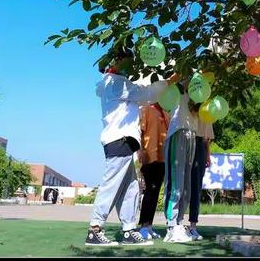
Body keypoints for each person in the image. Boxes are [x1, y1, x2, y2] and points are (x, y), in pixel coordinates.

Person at [85, 47, 179, 247]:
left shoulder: (112, 82)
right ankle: (95, 228)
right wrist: (169, 81)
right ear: (117, 61)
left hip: (125, 141)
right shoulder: (117, 83)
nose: (131, 66)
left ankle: (128, 229)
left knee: (131, 187)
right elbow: (146, 95)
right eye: (128, 61)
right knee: (111, 184)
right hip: (119, 140)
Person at [163, 81, 200, 243]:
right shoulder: (175, 87)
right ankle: (171, 227)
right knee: (176, 181)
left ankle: (179, 222)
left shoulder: (197, 92)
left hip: (192, 134)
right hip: (177, 132)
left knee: (186, 185)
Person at [137, 101, 170, 240]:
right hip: (149, 156)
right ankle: (143, 227)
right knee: (150, 191)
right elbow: (140, 131)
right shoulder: (147, 109)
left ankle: (149, 226)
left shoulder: (167, 112)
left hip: (162, 158)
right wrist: (140, 151)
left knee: (155, 192)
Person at [187, 117, 214, 241]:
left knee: (196, 187)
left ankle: (193, 225)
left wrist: (207, 154)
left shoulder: (207, 109)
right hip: (185, 140)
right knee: (180, 185)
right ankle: (174, 225)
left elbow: (206, 138)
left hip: (199, 145)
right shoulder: (185, 102)